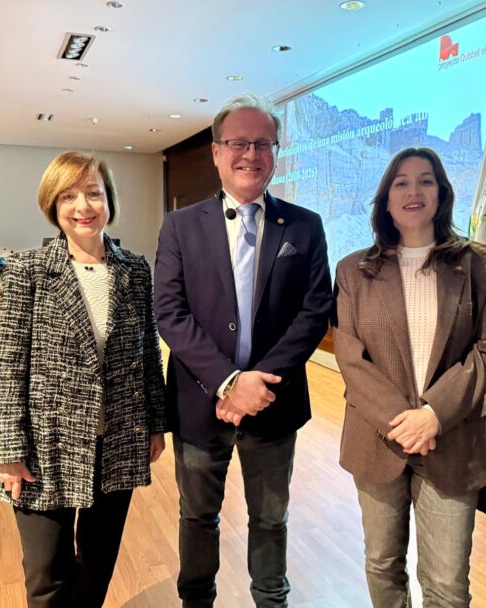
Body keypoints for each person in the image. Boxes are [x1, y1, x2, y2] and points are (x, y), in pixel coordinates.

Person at [154, 94, 332, 607]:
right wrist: (229, 383)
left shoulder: (305, 225)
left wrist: (257, 383)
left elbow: (314, 311)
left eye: (263, 144)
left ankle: (271, 601)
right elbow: (170, 312)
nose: (251, 154)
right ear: (216, 152)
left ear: (276, 153)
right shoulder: (180, 226)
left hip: (275, 402)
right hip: (200, 403)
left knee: (271, 518)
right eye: (238, 143)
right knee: (197, 516)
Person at [0, 151, 167, 608]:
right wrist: (7, 451)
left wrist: (155, 423)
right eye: (68, 196)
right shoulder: (28, 269)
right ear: (52, 204)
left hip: (118, 437)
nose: (82, 206)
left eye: (93, 193)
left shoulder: (134, 269)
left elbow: (147, 352)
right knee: (46, 571)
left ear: (109, 201)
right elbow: (7, 365)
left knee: (98, 561)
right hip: (45, 444)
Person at [333, 147, 486, 608]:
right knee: (382, 564)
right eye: (402, 182)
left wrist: (434, 414)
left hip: (453, 439)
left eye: (425, 180)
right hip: (377, 438)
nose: (414, 191)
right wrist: (403, 420)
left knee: (447, 585)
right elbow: (350, 356)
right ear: (386, 198)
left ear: (442, 193)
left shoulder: (481, 266)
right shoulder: (353, 271)